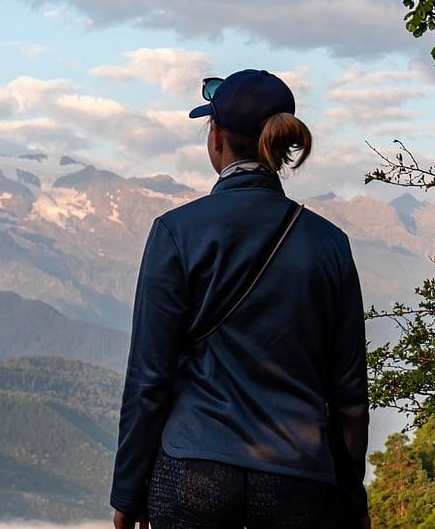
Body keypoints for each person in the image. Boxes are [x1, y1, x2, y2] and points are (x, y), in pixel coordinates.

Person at [110, 69, 370, 529]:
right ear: (281, 143)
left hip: (193, 471)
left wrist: (128, 492)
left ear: (217, 136)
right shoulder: (329, 243)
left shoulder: (176, 232)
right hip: (299, 479)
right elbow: (349, 394)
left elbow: (150, 378)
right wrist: (350, 497)